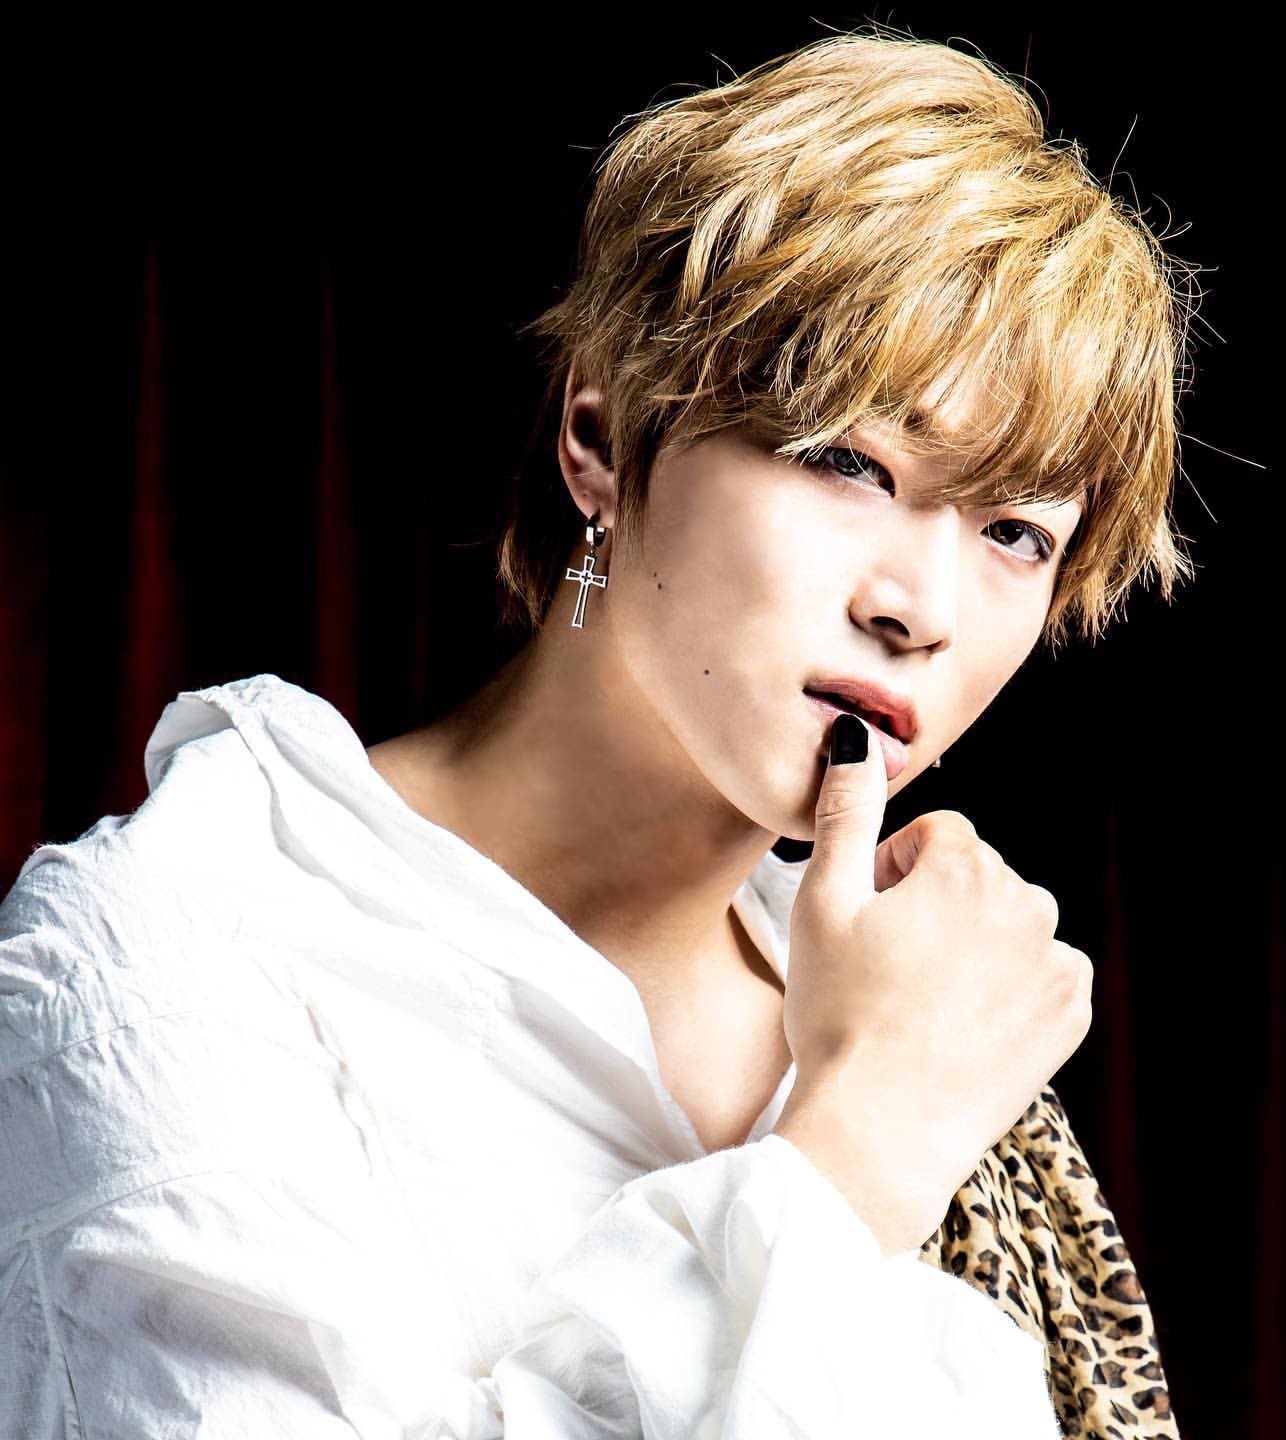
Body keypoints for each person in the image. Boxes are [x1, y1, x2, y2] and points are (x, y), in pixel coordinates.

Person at [0, 27, 1195, 1439]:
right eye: (847, 461)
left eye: (1015, 533)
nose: (919, 608)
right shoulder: (164, 950)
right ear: (601, 435)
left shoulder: (934, 1018)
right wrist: (858, 1152)